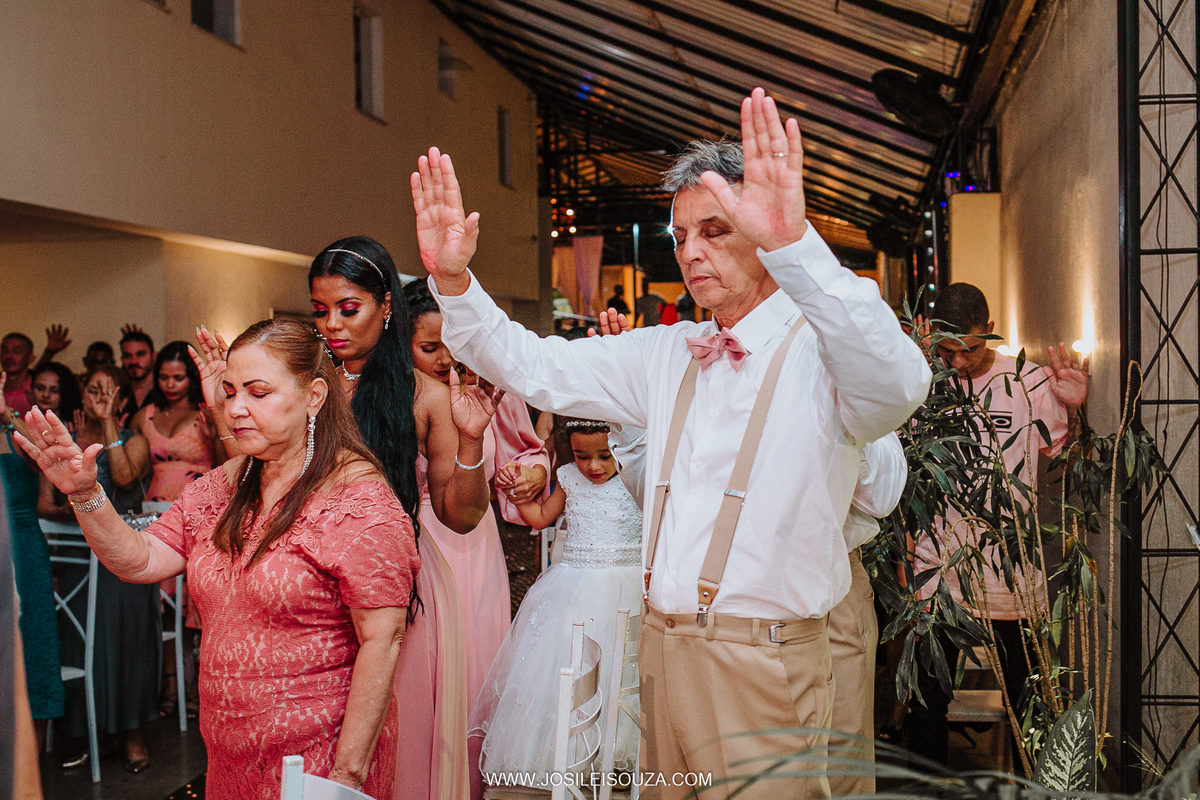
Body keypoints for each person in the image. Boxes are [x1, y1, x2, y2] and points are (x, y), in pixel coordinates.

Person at [411, 87, 932, 798]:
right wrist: (453, 281)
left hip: (765, 661)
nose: (690, 252)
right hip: (658, 645)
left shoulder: (821, 351)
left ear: (763, 233)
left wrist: (795, 245)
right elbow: (534, 366)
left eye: (714, 230)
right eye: (680, 235)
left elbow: (898, 385)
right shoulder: (666, 351)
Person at [19, 319, 417, 799]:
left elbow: (383, 640)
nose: (235, 408)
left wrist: (346, 780)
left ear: (313, 397)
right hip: (229, 756)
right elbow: (140, 560)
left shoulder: (358, 501)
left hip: (316, 758)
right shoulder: (225, 485)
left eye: (258, 392)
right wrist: (85, 493)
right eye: (229, 392)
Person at [302, 236, 497, 800]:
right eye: (320, 310)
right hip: (309, 581)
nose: (332, 325)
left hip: (394, 588)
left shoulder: (425, 395)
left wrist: (470, 441)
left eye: (348, 308)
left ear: (386, 305)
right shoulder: (307, 388)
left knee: (395, 739)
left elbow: (460, 516)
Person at [907, 282, 1089, 765]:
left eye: (968, 349)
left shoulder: (1028, 381)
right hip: (939, 570)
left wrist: (1076, 411)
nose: (958, 362)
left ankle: (1034, 790)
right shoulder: (924, 383)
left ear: (989, 331)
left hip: (1010, 572)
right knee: (926, 702)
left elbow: (1069, 461)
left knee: (1027, 701)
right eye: (946, 350)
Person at [403, 279, 549, 799]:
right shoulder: (398, 398)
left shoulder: (487, 387)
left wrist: (531, 473)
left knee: (475, 667)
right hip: (417, 540)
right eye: (429, 348)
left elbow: (527, 449)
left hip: (474, 540)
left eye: (454, 346)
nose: (446, 359)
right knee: (420, 673)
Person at [471, 418, 642, 785]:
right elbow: (540, 517)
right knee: (569, 670)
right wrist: (518, 494)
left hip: (625, 588)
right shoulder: (568, 478)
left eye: (604, 456)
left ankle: (616, 755)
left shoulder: (637, 479)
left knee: (620, 671)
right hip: (573, 590)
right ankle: (573, 755)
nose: (592, 466)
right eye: (581, 456)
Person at [37, 365, 158, 774]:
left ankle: (132, 733)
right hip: (78, 559)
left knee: (126, 640)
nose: (99, 398)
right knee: (78, 642)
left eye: (108, 392)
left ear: (122, 400)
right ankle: (86, 731)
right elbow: (46, 503)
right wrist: (84, 515)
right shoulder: (67, 441)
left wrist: (108, 424)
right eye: (93, 390)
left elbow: (122, 477)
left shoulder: (135, 441)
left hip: (124, 560)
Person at [133, 341, 225, 721]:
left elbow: (227, 466)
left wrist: (214, 434)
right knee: (160, 604)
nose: (171, 385)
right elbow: (131, 467)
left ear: (192, 377)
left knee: (195, 605)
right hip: (156, 515)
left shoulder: (206, 412)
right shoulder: (145, 415)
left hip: (200, 514)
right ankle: (169, 686)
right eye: (164, 377)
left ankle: (200, 691)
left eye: (179, 377)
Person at [0, 372, 68, 748]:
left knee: (33, 639)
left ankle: (33, 752)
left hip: (24, 549)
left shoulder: (20, 426)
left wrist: (6, 416)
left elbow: (47, 466)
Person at [118, 327, 156, 419]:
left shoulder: (166, 389)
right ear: (122, 359)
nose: (133, 361)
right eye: (127, 356)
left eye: (140, 354)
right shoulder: (118, 392)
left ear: (153, 356)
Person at [1, 335, 36, 416]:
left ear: (30, 358)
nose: (8, 356)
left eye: (17, 351)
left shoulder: (37, 389)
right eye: (4, 351)